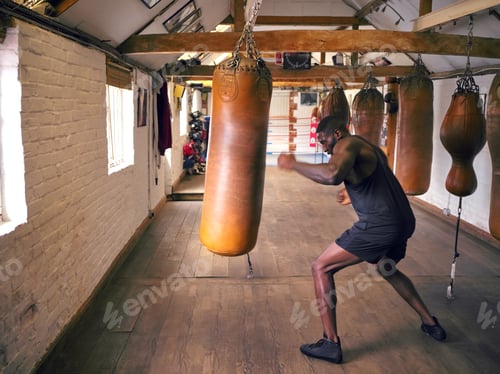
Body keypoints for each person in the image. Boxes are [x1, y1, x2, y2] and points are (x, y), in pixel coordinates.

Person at [277, 115, 446, 364]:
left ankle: (330, 343)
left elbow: (332, 174)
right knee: (386, 268)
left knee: (320, 267)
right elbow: (375, 173)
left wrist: (293, 164)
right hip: (404, 222)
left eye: (324, 141)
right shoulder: (369, 148)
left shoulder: (345, 145)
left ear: (337, 134)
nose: (324, 149)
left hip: (380, 225)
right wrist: (351, 188)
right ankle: (430, 323)